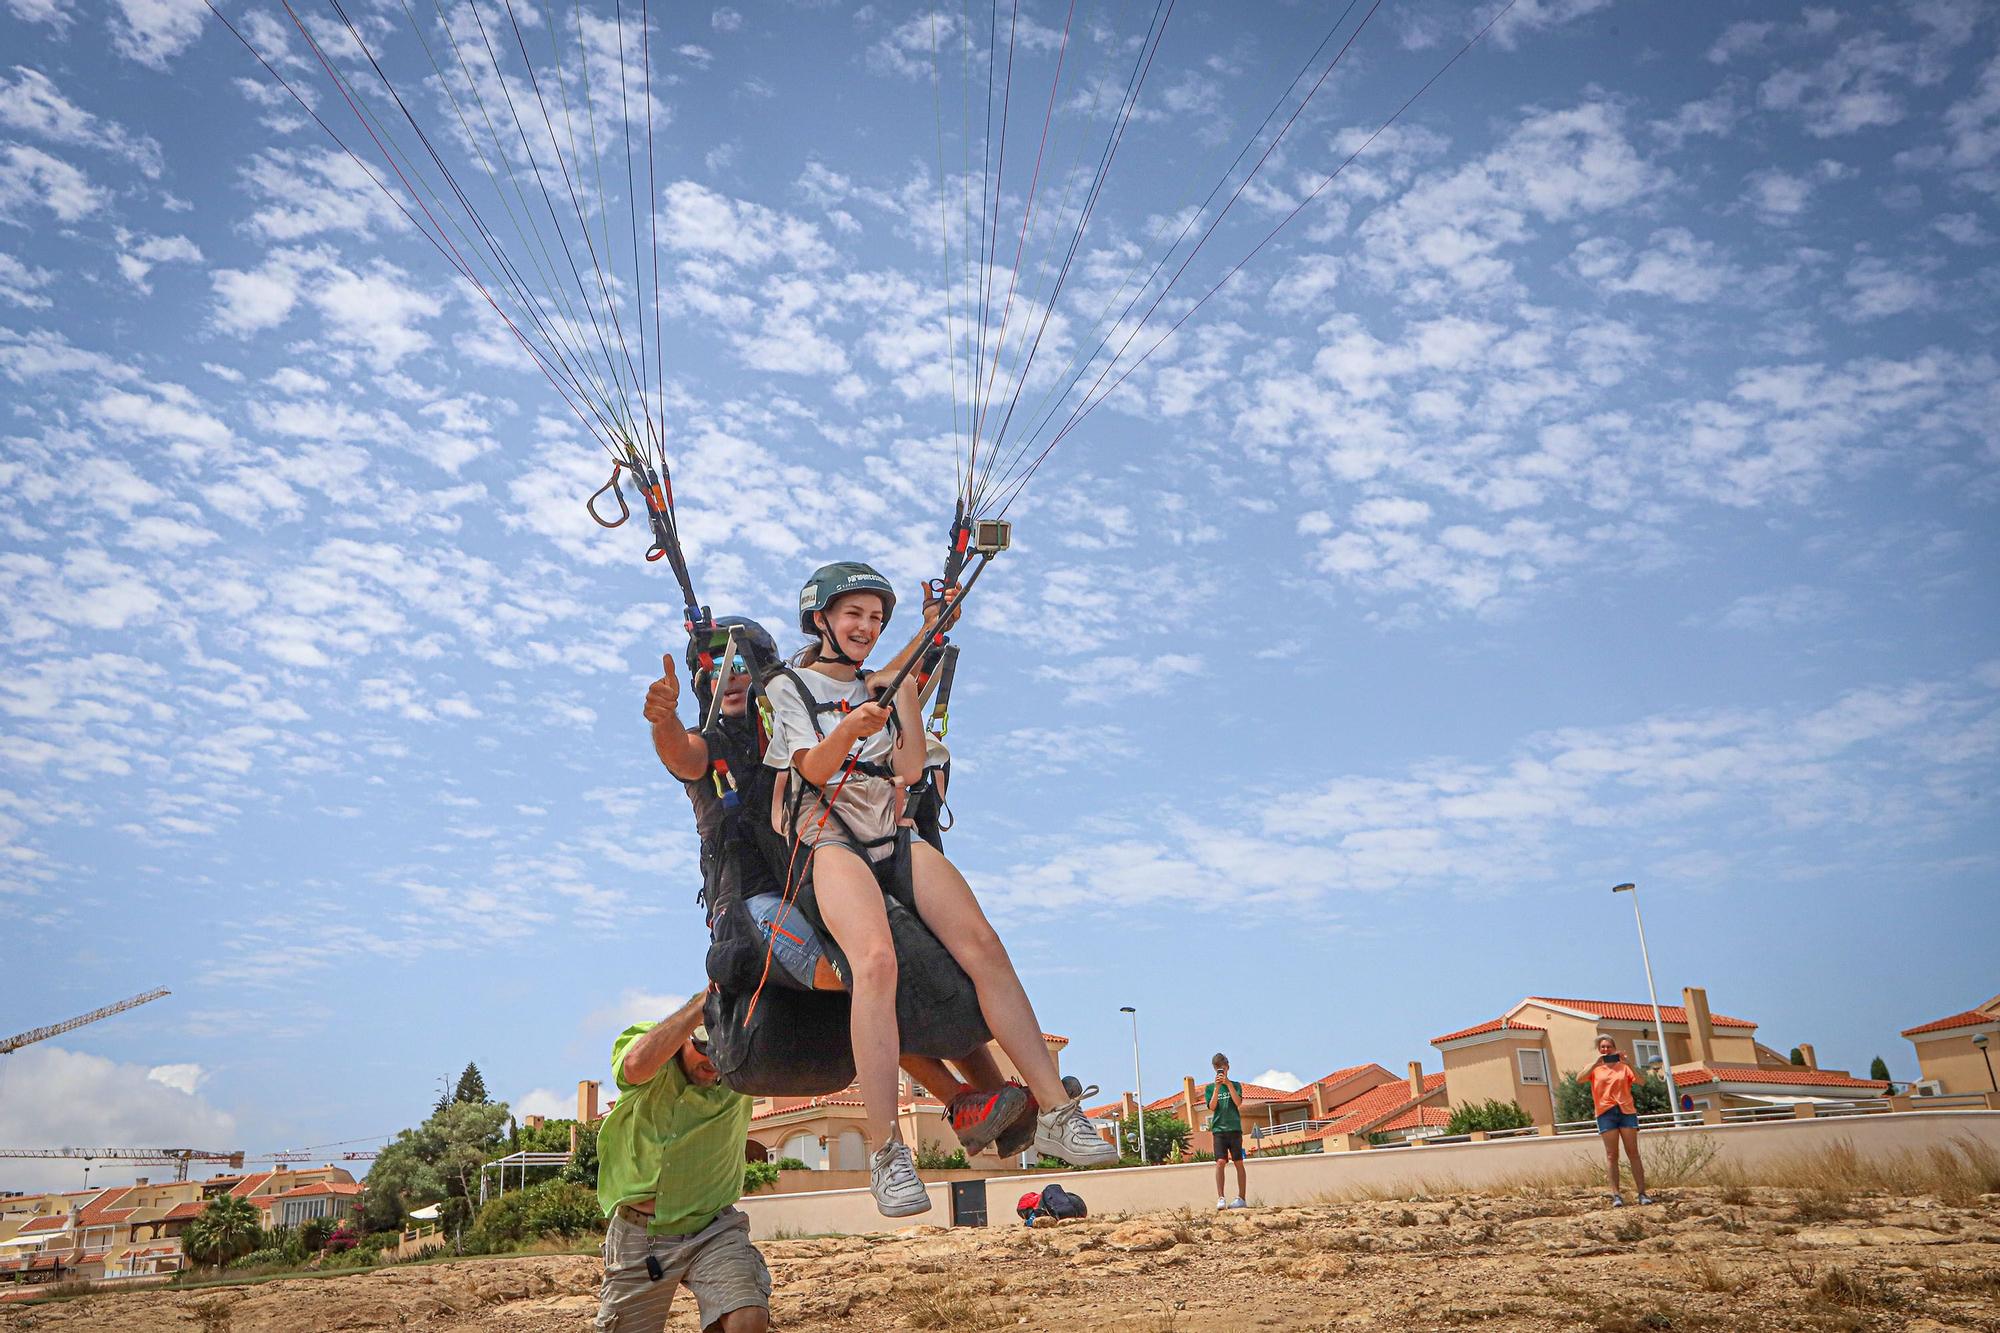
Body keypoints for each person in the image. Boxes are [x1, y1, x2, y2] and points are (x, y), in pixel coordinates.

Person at [765, 561, 1118, 1215]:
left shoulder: (884, 683)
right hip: (830, 840)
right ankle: (887, 1155)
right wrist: (846, 728)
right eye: (854, 614)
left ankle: (1057, 1112)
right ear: (821, 618)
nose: (866, 627)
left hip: (889, 831)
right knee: (874, 960)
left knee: (981, 941)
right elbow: (810, 768)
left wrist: (909, 678)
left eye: (876, 618)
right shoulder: (791, 685)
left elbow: (905, 766)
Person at [642, 618, 1028, 1159]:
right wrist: (662, 720)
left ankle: (1002, 1100)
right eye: (715, 669)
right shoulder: (711, 745)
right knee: (863, 973)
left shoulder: (794, 717)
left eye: (741, 668)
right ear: (701, 683)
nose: (730, 679)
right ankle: (960, 1099)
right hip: (754, 905)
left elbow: (878, 684)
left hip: (815, 882)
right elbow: (679, 753)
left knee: (920, 953)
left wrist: (930, 626)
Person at [593, 992, 768, 1333]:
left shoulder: (741, 1072)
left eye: (722, 1050)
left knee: (746, 1316)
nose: (713, 1061)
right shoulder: (655, 1048)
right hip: (642, 1236)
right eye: (704, 1046)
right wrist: (700, 1007)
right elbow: (634, 1066)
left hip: (713, 1228)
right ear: (685, 1038)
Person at [1581, 1033, 1654, 1207]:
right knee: (1612, 1155)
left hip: (1626, 1111)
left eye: (1609, 1047)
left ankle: (1642, 1194)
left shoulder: (1624, 1067)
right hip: (1605, 1112)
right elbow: (1579, 1079)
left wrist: (1629, 1064)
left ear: (1615, 1048)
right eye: (1603, 1047)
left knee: (1633, 1153)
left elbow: (1642, 1082)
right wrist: (1594, 1064)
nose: (1606, 1050)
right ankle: (1616, 1195)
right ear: (1599, 1050)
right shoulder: (1595, 1068)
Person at [1202, 1053, 1248, 1210]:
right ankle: (1221, 1197)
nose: (1221, 1071)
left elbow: (1238, 1102)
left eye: (1223, 1068)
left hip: (1234, 1128)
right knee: (1220, 1162)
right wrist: (1216, 1088)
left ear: (1228, 1067)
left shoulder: (1236, 1085)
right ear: (1215, 1069)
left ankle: (1242, 1198)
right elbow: (1212, 1106)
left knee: (1238, 1162)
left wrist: (1227, 1084)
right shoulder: (1209, 1088)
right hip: (1219, 1129)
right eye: (1218, 1069)